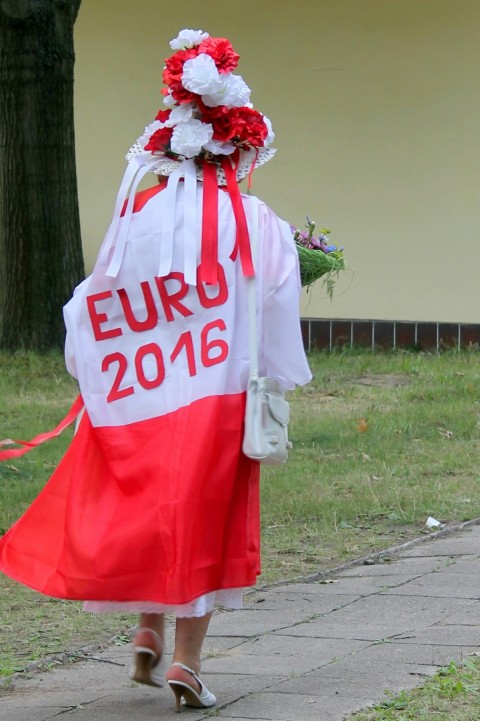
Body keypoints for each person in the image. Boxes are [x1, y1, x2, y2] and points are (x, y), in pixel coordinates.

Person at [0, 28, 311, 711]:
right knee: (205, 517)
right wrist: (277, 376)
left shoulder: (137, 215)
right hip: (218, 392)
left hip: (142, 391)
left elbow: (96, 302)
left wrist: (93, 374)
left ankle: (147, 629)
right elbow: (276, 306)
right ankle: (187, 663)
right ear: (234, 147)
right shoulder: (255, 220)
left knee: (152, 506)